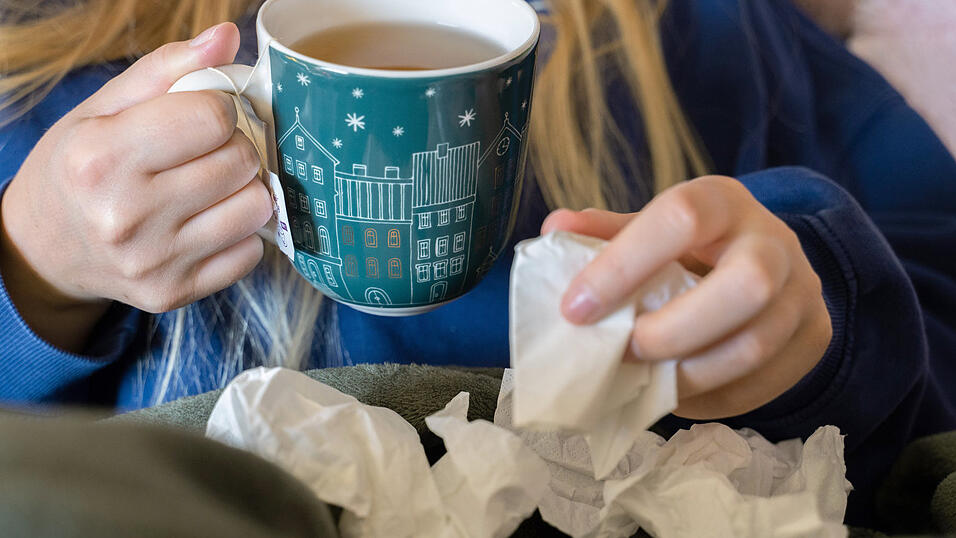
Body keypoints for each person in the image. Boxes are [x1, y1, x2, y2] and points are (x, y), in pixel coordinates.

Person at [0, 0, 953, 527]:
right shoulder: (66, 65)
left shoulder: (713, 36)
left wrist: (812, 325)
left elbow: (934, 280)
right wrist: (33, 259)